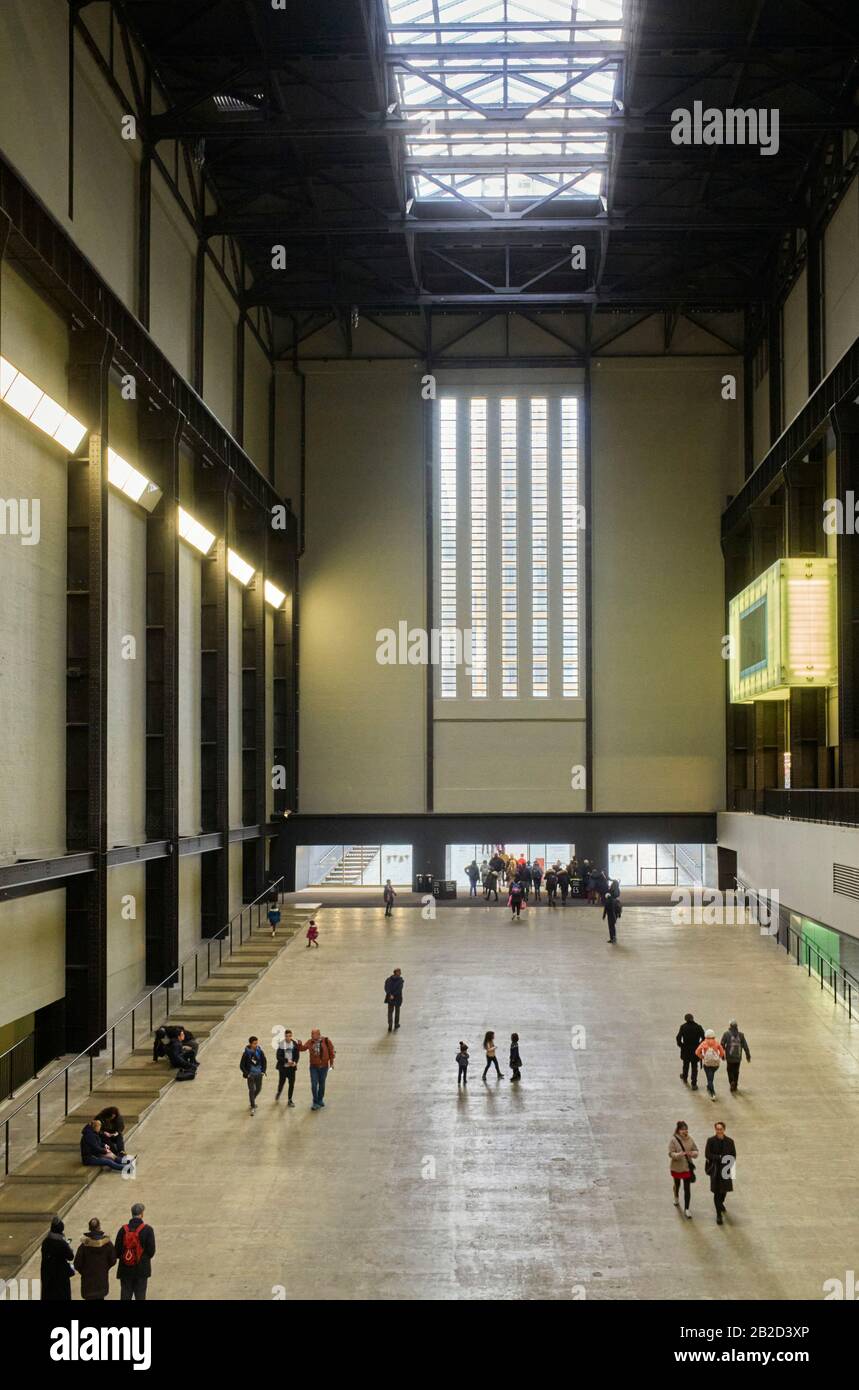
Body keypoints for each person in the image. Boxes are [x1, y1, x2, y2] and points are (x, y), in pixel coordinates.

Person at [115, 1203, 155, 1300]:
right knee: (140, 1295)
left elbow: (117, 1250)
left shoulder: (123, 1230)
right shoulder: (148, 1230)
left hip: (125, 1268)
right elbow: (151, 1251)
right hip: (141, 1269)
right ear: (142, 1214)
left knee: (125, 1294)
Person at [74, 1217, 118, 1300]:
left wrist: (84, 1272)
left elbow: (77, 1264)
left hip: (88, 1283)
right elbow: (113, 1260)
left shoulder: (84, 1246)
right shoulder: (107, 1244)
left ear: (89, 1228)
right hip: (101, 1280)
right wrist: (105, 1268)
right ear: (99, 1227)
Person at [704, 1121, 737, 1224]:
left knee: (725, 1190)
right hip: (715, 1170)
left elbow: (733, 1155)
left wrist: (729, 1163)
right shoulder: (711, 1140)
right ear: (715, 1129)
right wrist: (718, 1158)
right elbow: (707, 1154)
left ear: (724, 1129)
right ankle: (718, 1215)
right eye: (717, 1129)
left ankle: (720, 1204)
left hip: (726, 1169)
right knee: (717, 1192)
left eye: (720, 1129)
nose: (719, 1131)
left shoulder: (730, 1141)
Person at [299, 1029, 336, 1109]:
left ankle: (320, 1099)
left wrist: (331, 1063)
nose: (312, 1035)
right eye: (311, 1034)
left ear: (318, 1034)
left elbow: (331, 1052)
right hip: (314, 1067)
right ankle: (315, 1102)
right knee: (314, 1084)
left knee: (322, 1084)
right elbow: (303, 1049)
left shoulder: (326, 1041)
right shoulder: (310, 1042)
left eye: (313, 1034)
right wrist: (299, 1045)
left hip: (324, 1066)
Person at [40, 1217, 75, 1301]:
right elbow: (70, 1256)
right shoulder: (61, 1244)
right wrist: (68, 1247)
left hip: (48, 1276)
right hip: (60, 1277)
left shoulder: (46, 1242)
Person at [668, 1121, 698, 1219]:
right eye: (682, 1130)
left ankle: (687, 1209)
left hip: (686, 1168)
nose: (685, 1131)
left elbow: (696, 1150)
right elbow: (670, 1153)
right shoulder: (673, 1140)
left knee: (687, 1188)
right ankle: (676, 1197)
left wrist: (693, 1154)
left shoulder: (690, 1139)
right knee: (677, 1184)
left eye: (686, 1129)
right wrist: (679, 1155)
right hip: (676, 1167)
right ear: (678, 1130)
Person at [695, 1029, 726, 1101]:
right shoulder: (717, 1043)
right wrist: (718, 1057)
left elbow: (697, 1052)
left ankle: (713, 1093)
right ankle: (709, 1087)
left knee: (710, 1079)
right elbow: (722, 1053)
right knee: (711, 1076)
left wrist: (702, 1057)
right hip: (715, 1064)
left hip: (707, 1064)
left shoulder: (704, 1043)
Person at [721, 1020, 751, 1092]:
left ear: (730, 1026)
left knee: (729, 1070)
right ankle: (735, 1084)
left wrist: (722, 1054)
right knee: (736, 1071)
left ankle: (731, 1082)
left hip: (729, 1057)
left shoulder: (726, 1034)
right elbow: (745, 1046)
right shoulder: (741, 1035)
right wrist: (748, 1055)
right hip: (738, 1057)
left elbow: (722, 1045)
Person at [676, 1013, 705, 1089]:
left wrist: (681, 1045)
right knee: (694, 1066)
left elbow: (678, 1038)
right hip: (695, 1049)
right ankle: (694, 1083)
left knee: (685, 1064)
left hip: (686, 1049)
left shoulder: (683, 1027)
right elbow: (704, 1038)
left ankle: (685, 1077)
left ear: (685, 1019)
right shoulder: (698, 1027)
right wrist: (699, 1045)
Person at [240, 1035, 267, 1114]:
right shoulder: (246, 1053)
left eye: (257, 1043)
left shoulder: (260, 1051)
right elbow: (241, 1065)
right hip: (251, 1075)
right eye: (254, 1044)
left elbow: (264, 1061)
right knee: (252, 1090)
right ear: (250, 1044)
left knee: (258, 1089)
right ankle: (253, 1105)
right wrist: (247, 1074)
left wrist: (263, 1071)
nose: (256, 1045)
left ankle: (252, 1100)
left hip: (259, 1074)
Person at [275, 1029, 301, 1105]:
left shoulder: (294, 1044)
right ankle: (279, 1092)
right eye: (286, 1036)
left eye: (289, 1036)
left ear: (291, 1036)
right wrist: (287, 1061)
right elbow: (278, 1056)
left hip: (291, 1069)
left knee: (291, 1084)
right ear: (284, 1036)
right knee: (281, 1083)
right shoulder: (281, 1044)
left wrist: (295, 1062)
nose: (288, 1038)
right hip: (283, 1069)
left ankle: (290, 1099)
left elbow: (297, 1055)